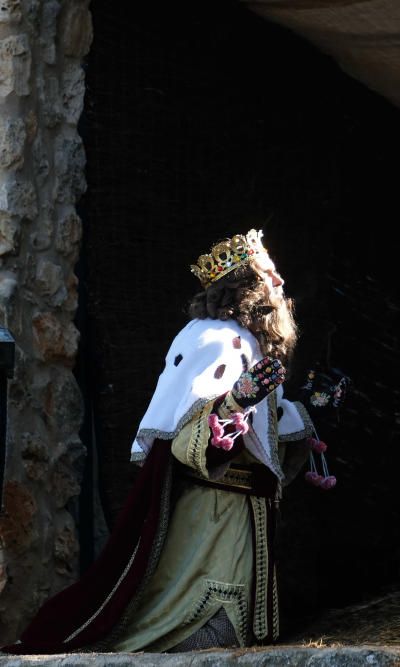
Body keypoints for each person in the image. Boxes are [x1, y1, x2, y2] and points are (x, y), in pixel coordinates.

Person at [5, 230, 327, 653]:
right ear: (245, 285)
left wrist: (314, 407)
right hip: (210, 519)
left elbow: (266, 439)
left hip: (242, 515)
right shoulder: (213, 339)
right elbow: (185, 439)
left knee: (238, 631)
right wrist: (234, 404)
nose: (281, 283)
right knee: (209, 629)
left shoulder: (251, 345)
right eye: (270, 274)